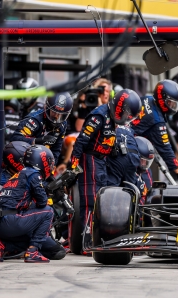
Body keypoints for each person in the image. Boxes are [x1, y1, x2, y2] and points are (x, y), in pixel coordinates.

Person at [70, 89, 141, 249]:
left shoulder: (115, 119)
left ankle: (97, 239)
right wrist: (73, 166)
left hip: (102, 162)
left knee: (101, 200)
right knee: (90, 200)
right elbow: (81, 140)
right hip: (90, 160)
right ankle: (86, 242)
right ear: (118, 108)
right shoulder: (98, 116)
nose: (127, 119)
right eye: (126, 114)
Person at [0, 145, 55, 263]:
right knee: (48, 211)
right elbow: (42, 202)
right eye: (49, 162)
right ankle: (33, 252)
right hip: (10, 221)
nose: (51, 166)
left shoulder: (18, 174)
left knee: (29, 238)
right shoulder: (34, 174)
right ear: (41, 161)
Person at [131, 80, 178, 186]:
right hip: (133, 153)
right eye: (171, 103)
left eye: (175, 104)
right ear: (162, 98)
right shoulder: (157, 121)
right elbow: (166, 149)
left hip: (125, 143)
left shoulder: (147, 98)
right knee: (147, 183)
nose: (173, 107)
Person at [10, 92, 73, 163]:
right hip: (23, 158)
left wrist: (51, 168)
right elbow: (14, 138)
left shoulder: (63, 124)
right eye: (54, 112)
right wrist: (38, 140)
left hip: (41, 161)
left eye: (61, 115)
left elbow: (56, 149)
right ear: (47, 108)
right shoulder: (34, 120)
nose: (56, 117)